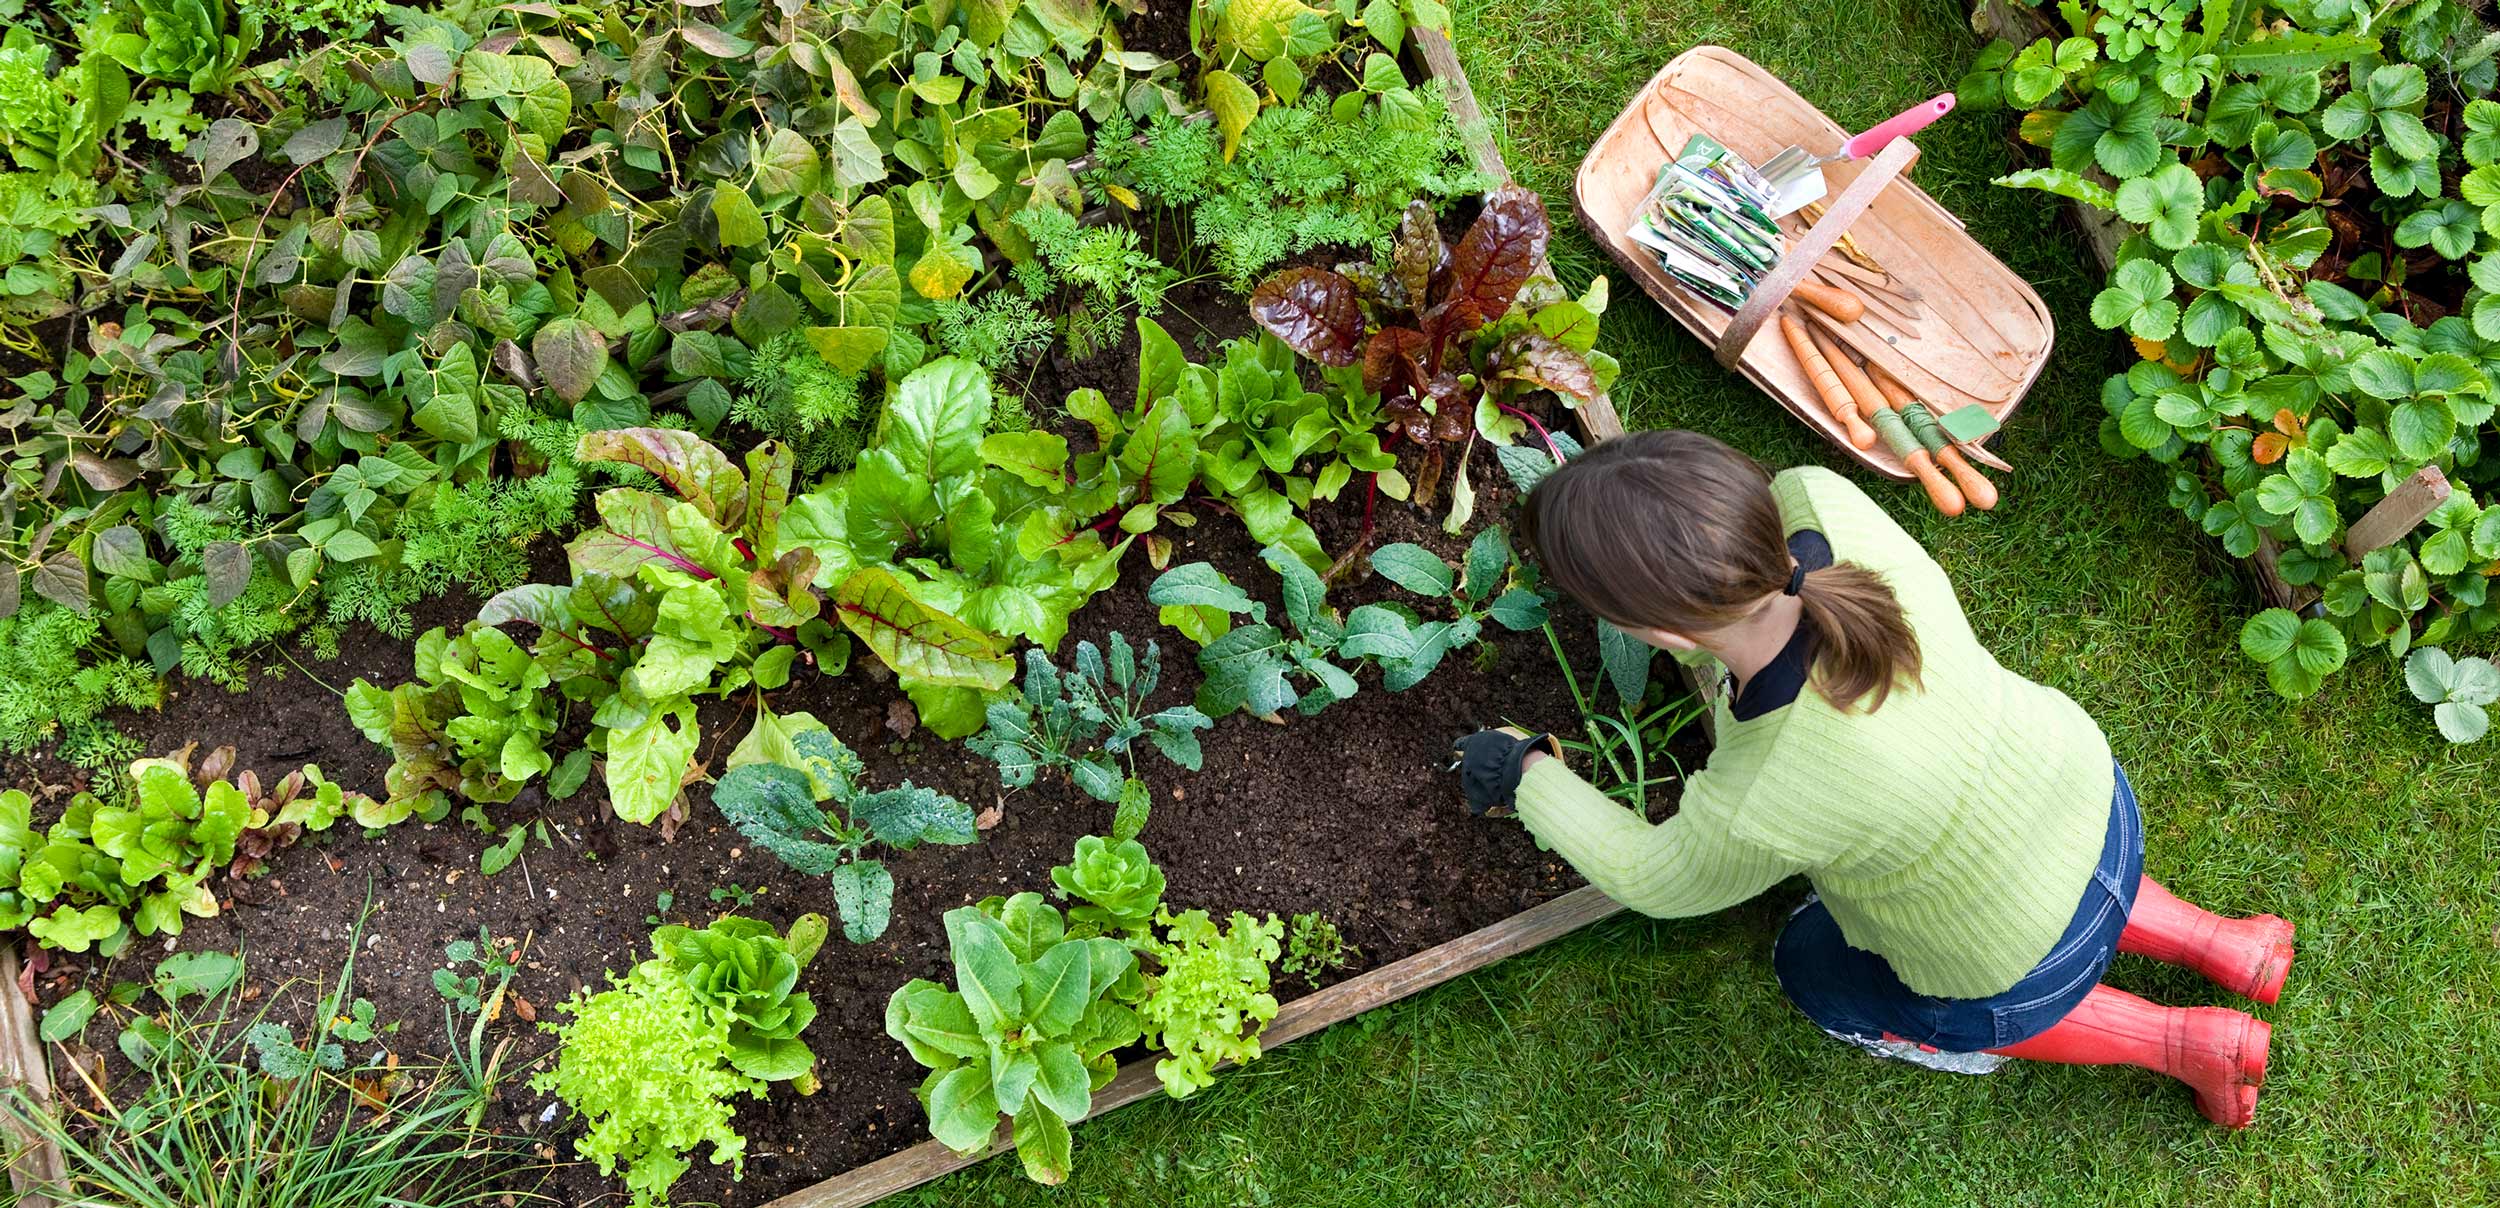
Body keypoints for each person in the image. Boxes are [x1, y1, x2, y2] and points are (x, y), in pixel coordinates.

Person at [1451, 430, 2294, 1128]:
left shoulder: (1766, 790)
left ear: (1664, 635)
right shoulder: (1821, 501)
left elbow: (1652, 876)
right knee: (2031, 866)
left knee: (1811, 968)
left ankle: (2187, 1043)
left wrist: (1524, 773)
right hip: (2089, 798)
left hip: (2009, 958)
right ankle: (2228, 945)